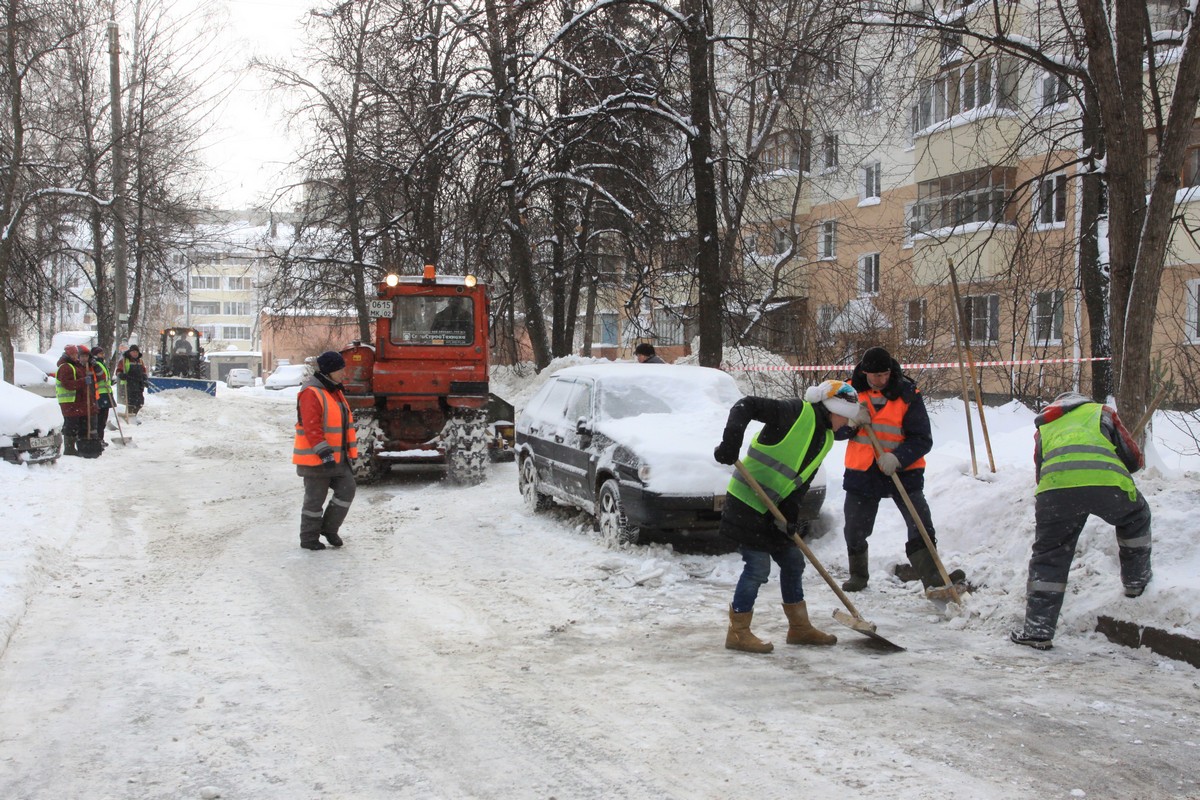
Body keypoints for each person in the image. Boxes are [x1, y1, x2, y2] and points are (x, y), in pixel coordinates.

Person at [712, 379, 869, 653]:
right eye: (845, 417)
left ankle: (799, 628)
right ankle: (737, 632)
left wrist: (790, 515)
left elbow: (800, 481)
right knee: (758, 567)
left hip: (773, 508)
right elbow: (745, 405)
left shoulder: (826, 437)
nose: (846, 424)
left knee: (793, 561)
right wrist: (731, 441)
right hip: (746, 502)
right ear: (832, 408)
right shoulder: (795, 412)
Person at [1011, 392, 1152, 650]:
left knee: (1050, 553)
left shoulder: (1046, 424)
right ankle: (1135, 581)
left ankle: (1038, 630)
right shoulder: (1102, 413)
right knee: (1136, 517)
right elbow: (1132, 459)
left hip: (1055, 492)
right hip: (1106, 485)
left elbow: (1041, 467)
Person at [840, 347, 967, 594]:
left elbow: (922, 438)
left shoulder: (908, 394)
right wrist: (851, 422)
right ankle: (858, 574)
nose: (880, 380)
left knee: (919, 523)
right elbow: (833, 431)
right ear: (864, 372)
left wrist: (898, 458)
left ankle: (933, 576)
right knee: (855, 527)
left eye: (885, 374)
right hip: (862, 471)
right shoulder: (848, 392)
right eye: (875, 375)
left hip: (903, 471)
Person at [293, 350, 358, 551]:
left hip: (338, 457)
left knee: (348, 490)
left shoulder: (335, 391)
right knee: (314, 501)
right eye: (340, 369)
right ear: (329, 371)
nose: (343, 373)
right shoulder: (311, 392)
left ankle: (329, 529)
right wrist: (324, 452)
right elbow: (311, 426)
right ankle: (309, 538)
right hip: (316, 459)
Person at [55, 345, 92, 456]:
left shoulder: (74, 366)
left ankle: (72, 447)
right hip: (69, 402)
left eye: (77, 354)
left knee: (74, 425)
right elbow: (67, 384)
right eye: (73, 355)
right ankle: (69, 448)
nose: (76, 357)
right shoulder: (66, 367)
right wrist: (83, 381)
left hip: (75, 401)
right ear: (68, 355)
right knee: (71, 425)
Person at [116, 345, 148, 424]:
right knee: (130, 403)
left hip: (138, 384)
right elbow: (118, 371)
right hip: (129, 384)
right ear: (130, 352)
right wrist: (121, 375)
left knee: (139, 403)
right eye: (133, 352)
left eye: (136, 352)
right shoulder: (124, 361)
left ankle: (133, 415)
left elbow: (143, 371)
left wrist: (144, 378)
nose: (135, 353)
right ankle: (129, 416)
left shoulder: (140, 361)